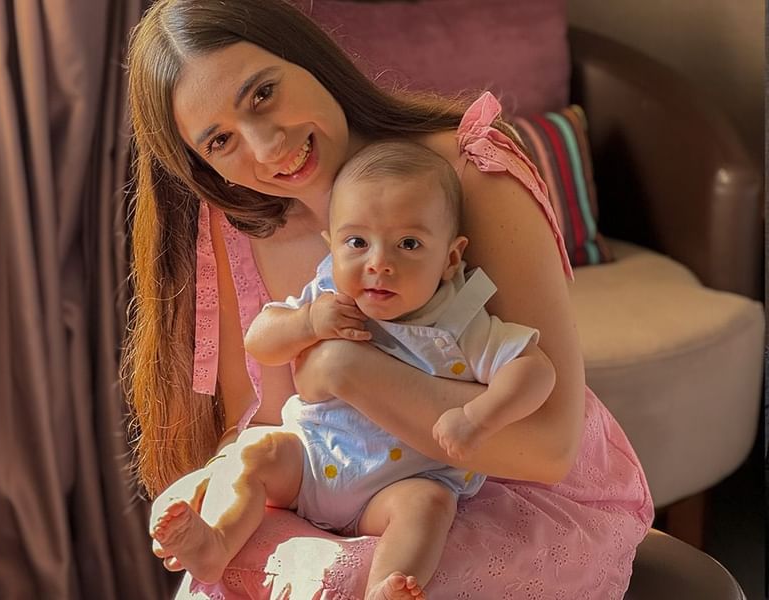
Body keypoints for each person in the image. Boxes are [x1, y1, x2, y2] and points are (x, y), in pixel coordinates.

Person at [124, 0, 654, 597]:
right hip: (333, 473)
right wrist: (216, 480)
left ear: (305, 55)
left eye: (263, 93)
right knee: (224, 567)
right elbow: (264, 421)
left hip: (496, 483)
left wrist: (346, 369)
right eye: (220, 140)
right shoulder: (241, 226)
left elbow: (548, 449)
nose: (267, 146)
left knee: (358, 578)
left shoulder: (468, 173)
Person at [149, 140, 557, 596]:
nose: (378, 264)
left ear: (450, 259)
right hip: (311, 458)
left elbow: (534, 370)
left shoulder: (458, 320)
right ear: (332, 246)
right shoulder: (330, 294)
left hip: (397, 486)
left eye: (408, 243)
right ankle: (215, 543)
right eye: (357, 242)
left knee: (429, 505)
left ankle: (386, 587)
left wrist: (479, 417)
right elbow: (260, 340)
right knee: (254, 451)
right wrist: (306, 322)